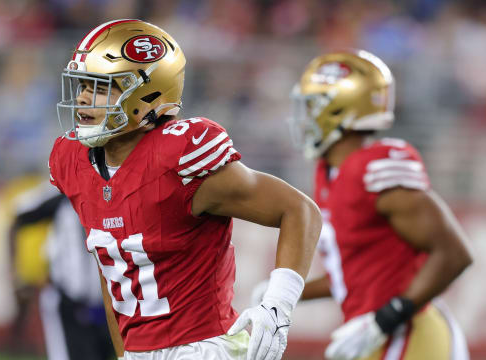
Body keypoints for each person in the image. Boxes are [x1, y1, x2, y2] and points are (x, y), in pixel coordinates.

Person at [48, 19, 322, 360]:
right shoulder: (73, 161)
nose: (84, 98)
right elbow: (114, 275)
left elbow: (299, 210)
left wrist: (279, 306)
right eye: (82, 85)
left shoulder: (178, 158)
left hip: (205, 349)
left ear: (147, 95)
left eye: (101, 87)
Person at [255, 50, 473, 360]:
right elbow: (351, 275)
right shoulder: (329, 171)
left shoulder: (372, 169)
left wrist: (386, 318)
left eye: (311, 106)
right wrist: (282, 293)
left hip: (408, 332)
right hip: (375, 331)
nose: (302, 117)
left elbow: (454, 253)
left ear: (338, 109)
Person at [9, 181, 115, 360]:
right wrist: (17, 274)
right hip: (67, 303)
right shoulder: (63, 190)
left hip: (108, 306)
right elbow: (19, 217)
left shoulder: (115, 189)